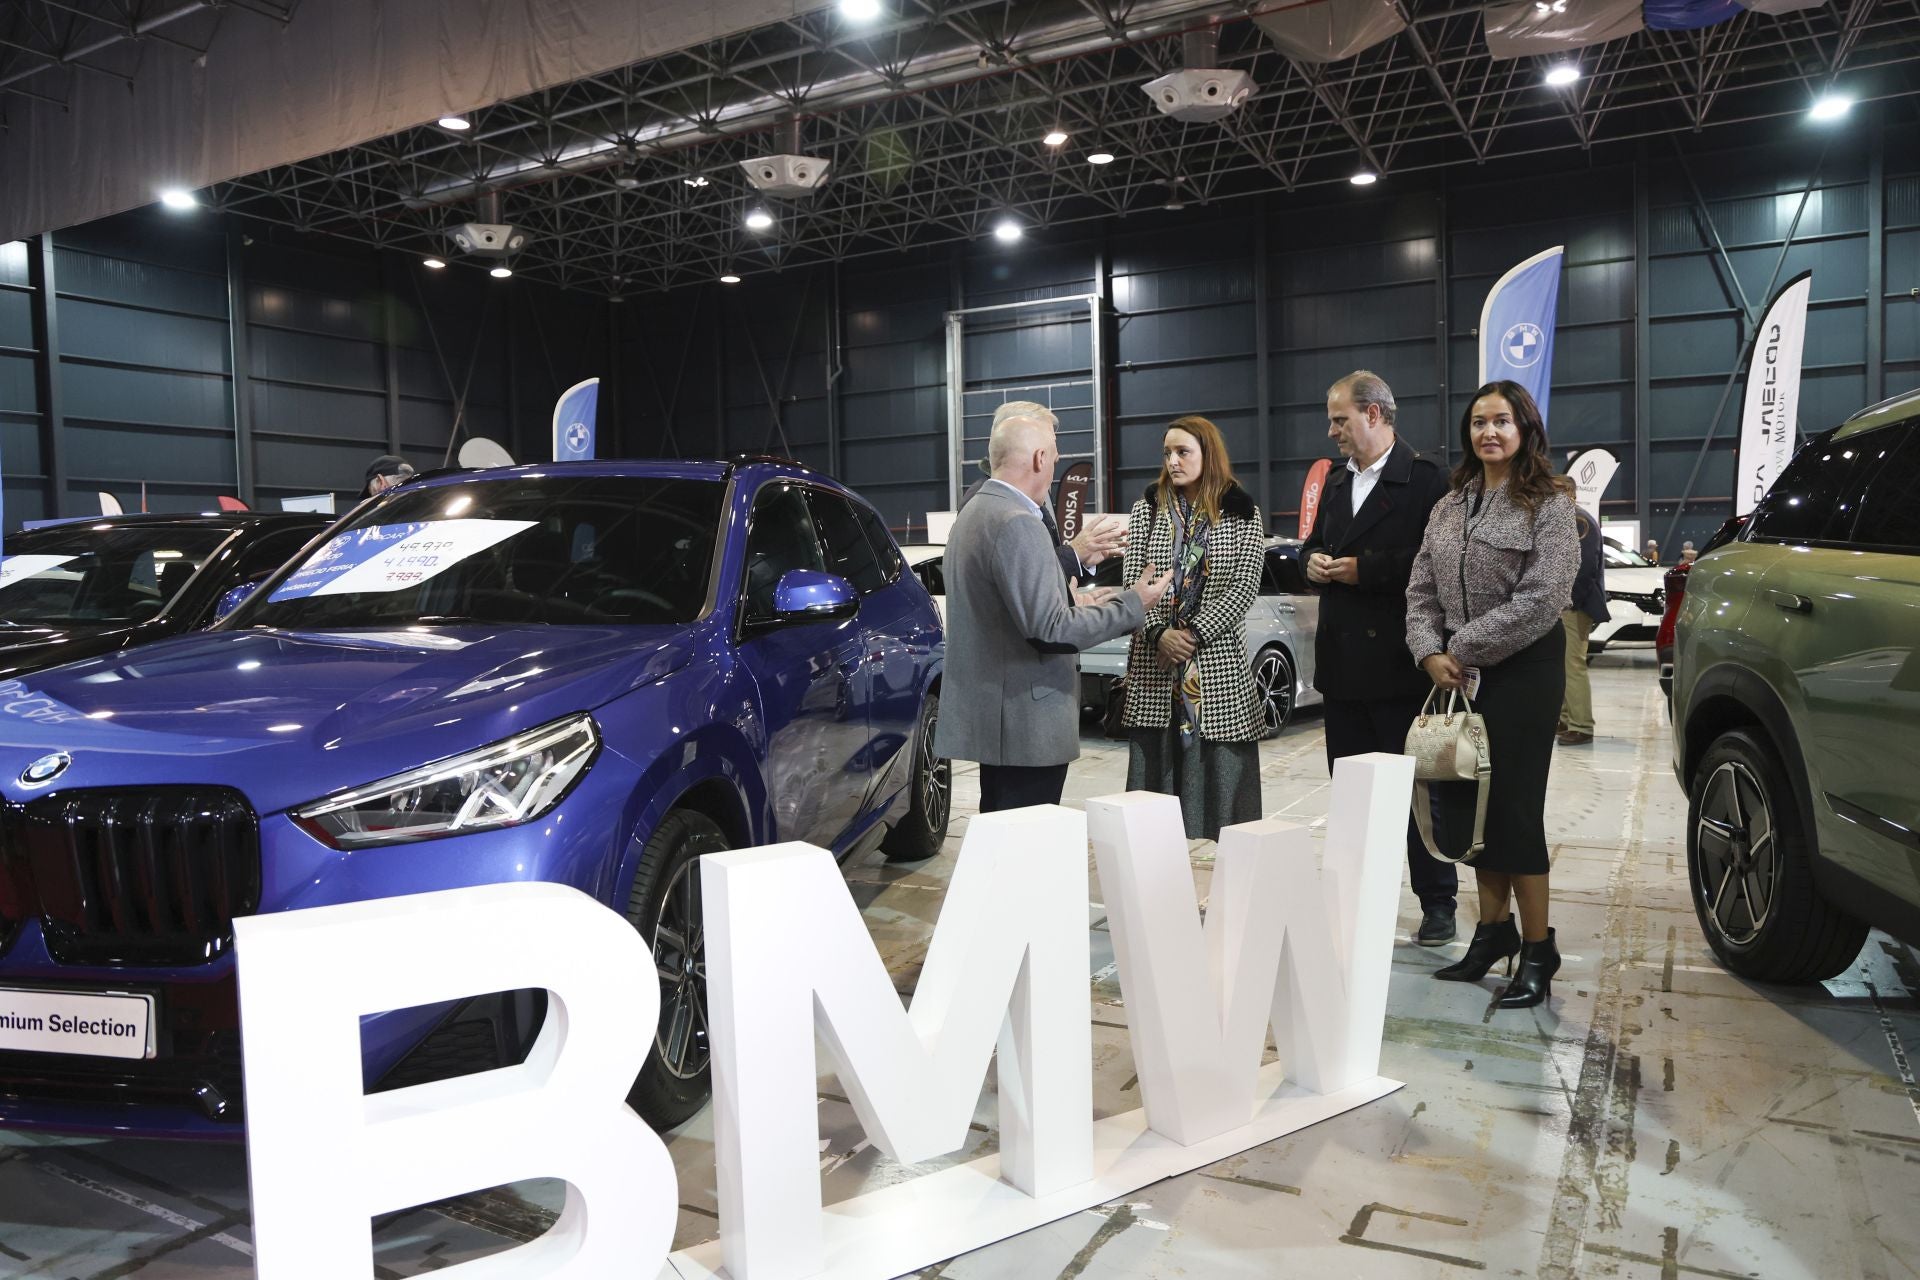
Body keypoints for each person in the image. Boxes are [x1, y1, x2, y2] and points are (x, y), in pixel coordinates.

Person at [1406, 380, 1579, 1010]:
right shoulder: (1451, 505)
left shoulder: (1551, 504)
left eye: (1501, 421)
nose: (1489, 433)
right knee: (1472, 812)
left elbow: (1543, 598)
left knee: (1513, 812)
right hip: (1459, 671)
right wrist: (1428, 650)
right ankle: (1491, 933)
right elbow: (1420, 586)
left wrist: (1463, 647)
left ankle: (1538, 949)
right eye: (1478, 422)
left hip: (1524, 673)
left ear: (1525, 429)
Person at [936, 409, 1173, 811]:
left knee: (1005, 841)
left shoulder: (976, 512)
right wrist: (1133, 603)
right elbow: (1051, 630)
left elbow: (1013, 613)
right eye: (1056, 455)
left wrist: (1070, 599)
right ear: (1039, 459)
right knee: (1026, 853)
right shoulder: (1017, 522)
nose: (1056, 464)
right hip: (1025, 725)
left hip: (1002, 722)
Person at [1304, 371, 1455, 945]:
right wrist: (1312, 562)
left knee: (1418, 795)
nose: (1332, 430)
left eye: (1340, 419)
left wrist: (1366, 570)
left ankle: (1437, 901)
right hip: (1342, 670)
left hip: (1399, 664)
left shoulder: (1426, 480)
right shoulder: (1339, 484)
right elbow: (1319, 542)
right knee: (1352, 795)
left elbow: (1436, 560)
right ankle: (1354, 897)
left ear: (1374, 414)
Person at [1118, 416, 1266, 840]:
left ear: (1207, 453)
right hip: (1155, 668)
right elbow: (1133, 581)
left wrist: (1193, 635)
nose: (1173, 461)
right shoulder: (1149, 506)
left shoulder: (1241, 511)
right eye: (1168, 452)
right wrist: (1158, 632)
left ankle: (1226, 895)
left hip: (1217, 671)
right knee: (1152, 806)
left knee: (1226, 808)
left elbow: (1243, 587)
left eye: (1183, 452)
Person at [959, 402, 1126, 592]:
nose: (1055, 454)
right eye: (1048, 438)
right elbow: (1023, 581)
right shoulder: (987, 504)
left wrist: (1081, 560)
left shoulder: (1025, 500)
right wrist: (1073, 553)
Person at [1558, 511, 1608, 746]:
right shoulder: (1572, 519)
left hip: (1575, 606)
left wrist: (1569, 601)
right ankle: (1567, 719)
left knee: (1573, 664)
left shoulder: (1580, 521)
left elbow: (1585, 565)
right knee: (1565, 664)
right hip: (1568, 605)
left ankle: (1581, 726)